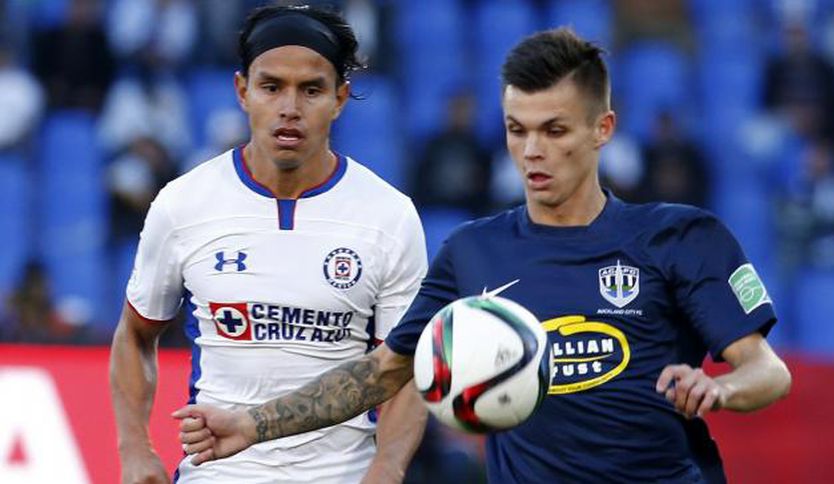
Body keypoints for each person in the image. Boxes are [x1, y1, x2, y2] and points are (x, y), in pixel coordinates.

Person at [174, 28, 792, 483]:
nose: (532, 151)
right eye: (517, 129)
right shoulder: (473, 251)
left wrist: (719, 390)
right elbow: (384, 371)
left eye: (554, 130)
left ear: (601, 129)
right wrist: (254, 425)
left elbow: (768, 372)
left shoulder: (680, 237)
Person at [110, 5, 428, 484]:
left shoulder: (389, 216)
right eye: (272, 86)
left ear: (340, 98)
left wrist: (387, 466)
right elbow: (136, 334)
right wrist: (135, 449)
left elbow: (403, 367)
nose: (290, 108)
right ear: (243, 91)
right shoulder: (184, 204)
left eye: (312, 90)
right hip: (218, 474)